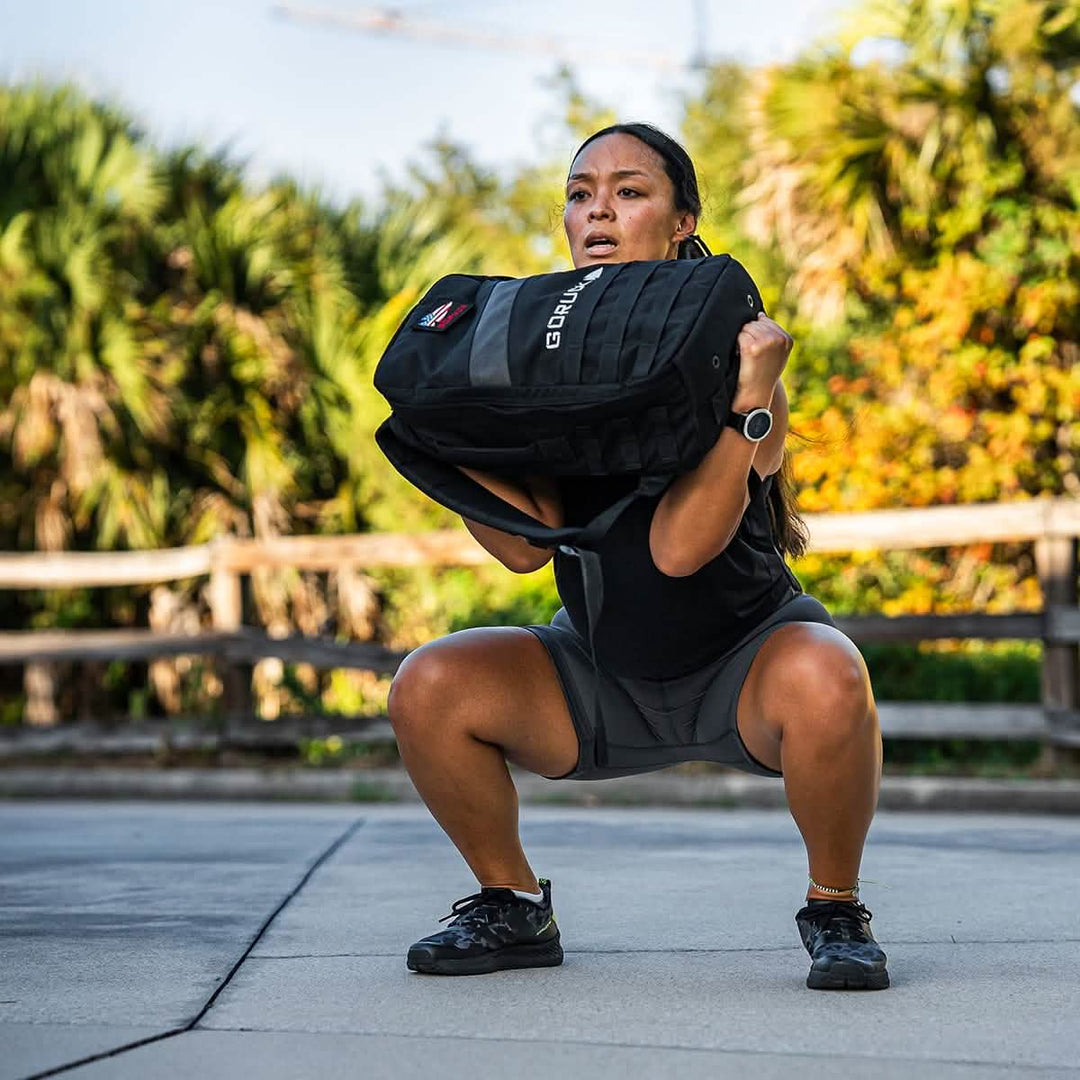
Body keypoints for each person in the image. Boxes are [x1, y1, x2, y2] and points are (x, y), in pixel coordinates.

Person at [387, 122, 889, 990]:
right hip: (600, 672)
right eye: (580, 195)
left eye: (628, 191)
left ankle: (836, 909)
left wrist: (753, 393)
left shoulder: (738, 347)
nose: (597, 212)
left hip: (748, 667)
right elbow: (519, 544)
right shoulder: (545, 360)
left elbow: (680, 548)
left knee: (832, 673)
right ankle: (511, 905)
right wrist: (444, 427)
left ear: (681, 221)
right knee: (428, 685)